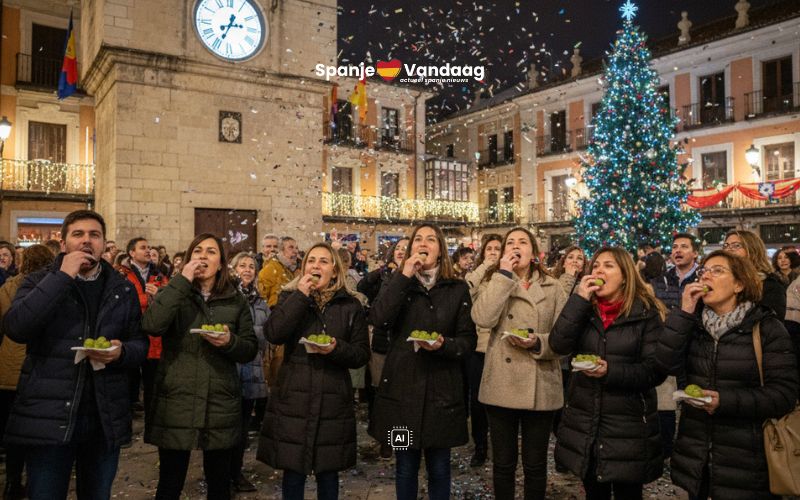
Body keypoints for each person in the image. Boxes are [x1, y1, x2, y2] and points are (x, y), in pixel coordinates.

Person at [2, 210, 147, 500]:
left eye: (94, 235)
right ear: (64, 243)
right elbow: (17, 328)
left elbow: (139, 343)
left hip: (103, 417)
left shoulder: (122, 288)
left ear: (103, 243)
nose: (86, 241)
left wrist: (121, 353)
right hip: (50, 415)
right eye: (78, 234)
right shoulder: (39, 281)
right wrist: (62, 277)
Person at [657, 250, 798, 499]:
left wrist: (725, 401)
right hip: (696, 459)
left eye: (717, 270)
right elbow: (663, 365)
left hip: (748, 462)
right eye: (704, 271)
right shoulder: (694, 326)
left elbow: (783, 395)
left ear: (739, 284)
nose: (705, 276)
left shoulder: (766, 328)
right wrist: (684, 312)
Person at [141, 233, 257, 500]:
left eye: (211, 251)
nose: (203, 256)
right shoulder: (175, 291)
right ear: (188, 258)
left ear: (221, 263)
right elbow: (152, 325)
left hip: (219, 400)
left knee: (219, 483)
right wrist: (181, 281)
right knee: (170, 482)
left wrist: (229, 342)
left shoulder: (235, 300)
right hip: (176, 399)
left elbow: (249, 348)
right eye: (198, 251)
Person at [549, 246, 667, 499]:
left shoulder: (645, 313)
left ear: (625, 276)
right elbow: (558, 345)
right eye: (596, 265)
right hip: (586, 423)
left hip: (628, 427)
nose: (599, 270)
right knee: (594, 493)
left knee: (628, 494)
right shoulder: (583, 309)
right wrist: (578, 300)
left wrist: (610, 371)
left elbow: (655, 371)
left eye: (608, 265)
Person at [370, 224, 477, 500]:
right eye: (418, 239)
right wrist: (404, 275)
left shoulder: (457, 288)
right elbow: (379, 318)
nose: (423, 243)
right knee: (404, 466)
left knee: (439, 467)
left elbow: (467, 341)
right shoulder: (398, 282)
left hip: (442, 394)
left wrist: (444, 345)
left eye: (430, 239)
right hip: (400, 395)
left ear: (440, 250)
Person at [257, 243, 370, 500]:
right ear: (303, 267)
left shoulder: (350, 305)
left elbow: (361, 354)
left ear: (334, 270)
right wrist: (300, 296)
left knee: (328, 473)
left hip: (332, 398)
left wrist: (336, 348)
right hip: (294, 397)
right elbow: (274, 333)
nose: (316, 265)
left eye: (323, 261)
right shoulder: (290, 297)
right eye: (311, 260)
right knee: (293, 471)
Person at [471, 228, 567, 499]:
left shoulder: (553, 287)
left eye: (522, 242)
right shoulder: (494, 281)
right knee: (503, 463)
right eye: (510, 243)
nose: (516, 246)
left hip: (541, 381)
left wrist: (538, 343)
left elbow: (565, 337)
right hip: (502, 382)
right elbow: (483, 318)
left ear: (534, 252)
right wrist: (503, 276)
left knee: (535, 465)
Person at [0, 245, 55, 499]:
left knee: (13, 428)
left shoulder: (8, 287)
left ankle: (12, 480)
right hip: (39, 364)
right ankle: (37, 481)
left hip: (9, 364)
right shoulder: (52, 286)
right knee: (37, 428)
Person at [357, 237, 409, 460]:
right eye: (399, 248)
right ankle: (383, 439)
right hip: (381, 343)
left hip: (404, 345)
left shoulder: (415, 277)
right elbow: (362, 288)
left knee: (401, 396)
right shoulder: (383, 276)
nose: (402, 251)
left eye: (406, 248)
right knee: (380, 395)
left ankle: (401, 442)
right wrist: (382, 271)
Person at [228, 252, 269, 493]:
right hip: (228, 370)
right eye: (242, 265)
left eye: (251, 266)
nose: (247, 269)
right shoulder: (226, 297)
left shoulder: (260, 301)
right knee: (227, 426)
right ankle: (222, 474)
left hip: (251, 369)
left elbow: (264, 337)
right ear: (233, 269)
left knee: (242, 428)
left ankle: (236, 472)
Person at [119, 237, 169, 420]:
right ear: (132, 253)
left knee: (152, 386)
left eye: (149, 247)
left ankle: (152, 425)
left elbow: (169, 301)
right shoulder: (121, 274)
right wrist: (144, 300)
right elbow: (119, 301)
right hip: (129, 336)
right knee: (128, 384)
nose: (148, 250)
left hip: (154, 338)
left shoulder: (159, 275)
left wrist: (159, 295)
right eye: (143, 248)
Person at [464, 233, 502, 468]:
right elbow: (466, 291)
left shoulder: (509, 275)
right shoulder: (476, 276)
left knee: (499, 402)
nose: (494, 252)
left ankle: (499, 444)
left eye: (498, 248)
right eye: (489, 249)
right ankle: (480, 446)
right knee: (477, 401)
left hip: (501, 346)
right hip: (478, 346)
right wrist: (484, 267)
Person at [549, 244, 587, 466]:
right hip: (559, 357)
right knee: (558, 408)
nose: (574, 261)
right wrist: (568, 279)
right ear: (563, 263)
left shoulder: (587, 285)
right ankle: (561, 449)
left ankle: (567, 454)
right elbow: (558, 312)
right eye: (570, 257)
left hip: (578, 357)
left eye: (579, 258)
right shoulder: (555, 283)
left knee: (572, 409)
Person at [257, 236, 301, 392]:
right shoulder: (270, 269)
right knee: (276, 365)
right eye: (291, 247)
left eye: (296, 248)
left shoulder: (296, 270)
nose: (295, 251)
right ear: (281, 251)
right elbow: (262, 298)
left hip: (293, 323)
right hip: (277, 322)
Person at [724, 230, 786, 320]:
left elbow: (772, 324)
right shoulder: (721, 280)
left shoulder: (770, 285)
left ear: (752, 250)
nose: (728, 249)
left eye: (736, 245)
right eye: (726, 245)